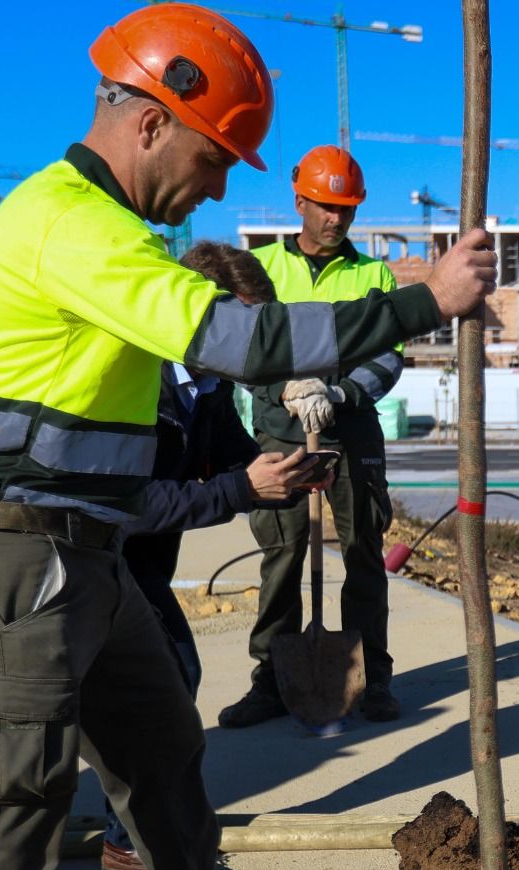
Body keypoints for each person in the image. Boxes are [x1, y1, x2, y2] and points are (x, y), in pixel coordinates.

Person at [0, 6, 494, 870]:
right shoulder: (72, 223)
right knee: (6, 817)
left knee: (162, 747)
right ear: (151, 122)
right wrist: (418, 302)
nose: (219, 187)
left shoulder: (105, 227)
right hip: (7, 553)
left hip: (79, 548)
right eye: (216, 158)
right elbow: (231, 335)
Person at [100, 241, 311, 870]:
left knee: (157, 686)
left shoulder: (211, 384)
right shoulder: (135, 380)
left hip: (137, 566)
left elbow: (225, 452)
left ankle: (132, 834)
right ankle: (131, 836)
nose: (255, 346)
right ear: (200, 315)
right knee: (158, 684)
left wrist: (290, 471)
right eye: (244, 328)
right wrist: (244, 488)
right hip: (91, 558)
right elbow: (129, 504)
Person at [221, 146, 405, 728]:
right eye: (326, 206)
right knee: (282, 554)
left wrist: (341, 394)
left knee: (363, 555)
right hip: (280, 429)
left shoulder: (373, 273)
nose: (336, 219)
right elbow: (236, 349)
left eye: (346, 209)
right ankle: (270, 681)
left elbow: (388, 356)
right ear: (299, 200)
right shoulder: (262, 268)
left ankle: (372, 679)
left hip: (351, 428)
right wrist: (284, 391)